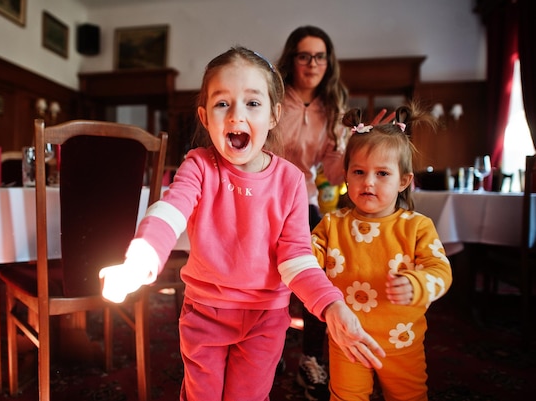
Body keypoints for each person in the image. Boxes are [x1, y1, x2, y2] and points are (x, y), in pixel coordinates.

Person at [98, 46, 385, 401]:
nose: (236, 114)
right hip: (205, 314)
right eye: (223, 103)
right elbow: (170, 211)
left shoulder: (291, 181)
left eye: (252, 103)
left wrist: (331, 304)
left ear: (274, 115)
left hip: (265, 320)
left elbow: (297, 258)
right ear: (204, 117)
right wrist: (140, 259)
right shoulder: (199, 166)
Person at [275, 25, 393, 400]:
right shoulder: (272, 96)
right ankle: (268, 347)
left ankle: (310, 358)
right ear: (292, 59)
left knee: (319, 273)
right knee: (262, 276)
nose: (312, 64)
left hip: (301, 199)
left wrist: (365, 149)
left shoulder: (332, 106)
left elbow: (333, 169)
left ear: (329, 62)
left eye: (320, 56)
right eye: (304, 55)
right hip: (261, 195)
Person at [311, 105, 452, 401]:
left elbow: (441, 271)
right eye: (359, 172)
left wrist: (417, 284)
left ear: (403, 181)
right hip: (347, 339)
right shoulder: (332, 224)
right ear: (347, 175)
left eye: (382, 173)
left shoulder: (417, 227)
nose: (369, 182)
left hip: (402, 341)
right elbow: (305, 260)